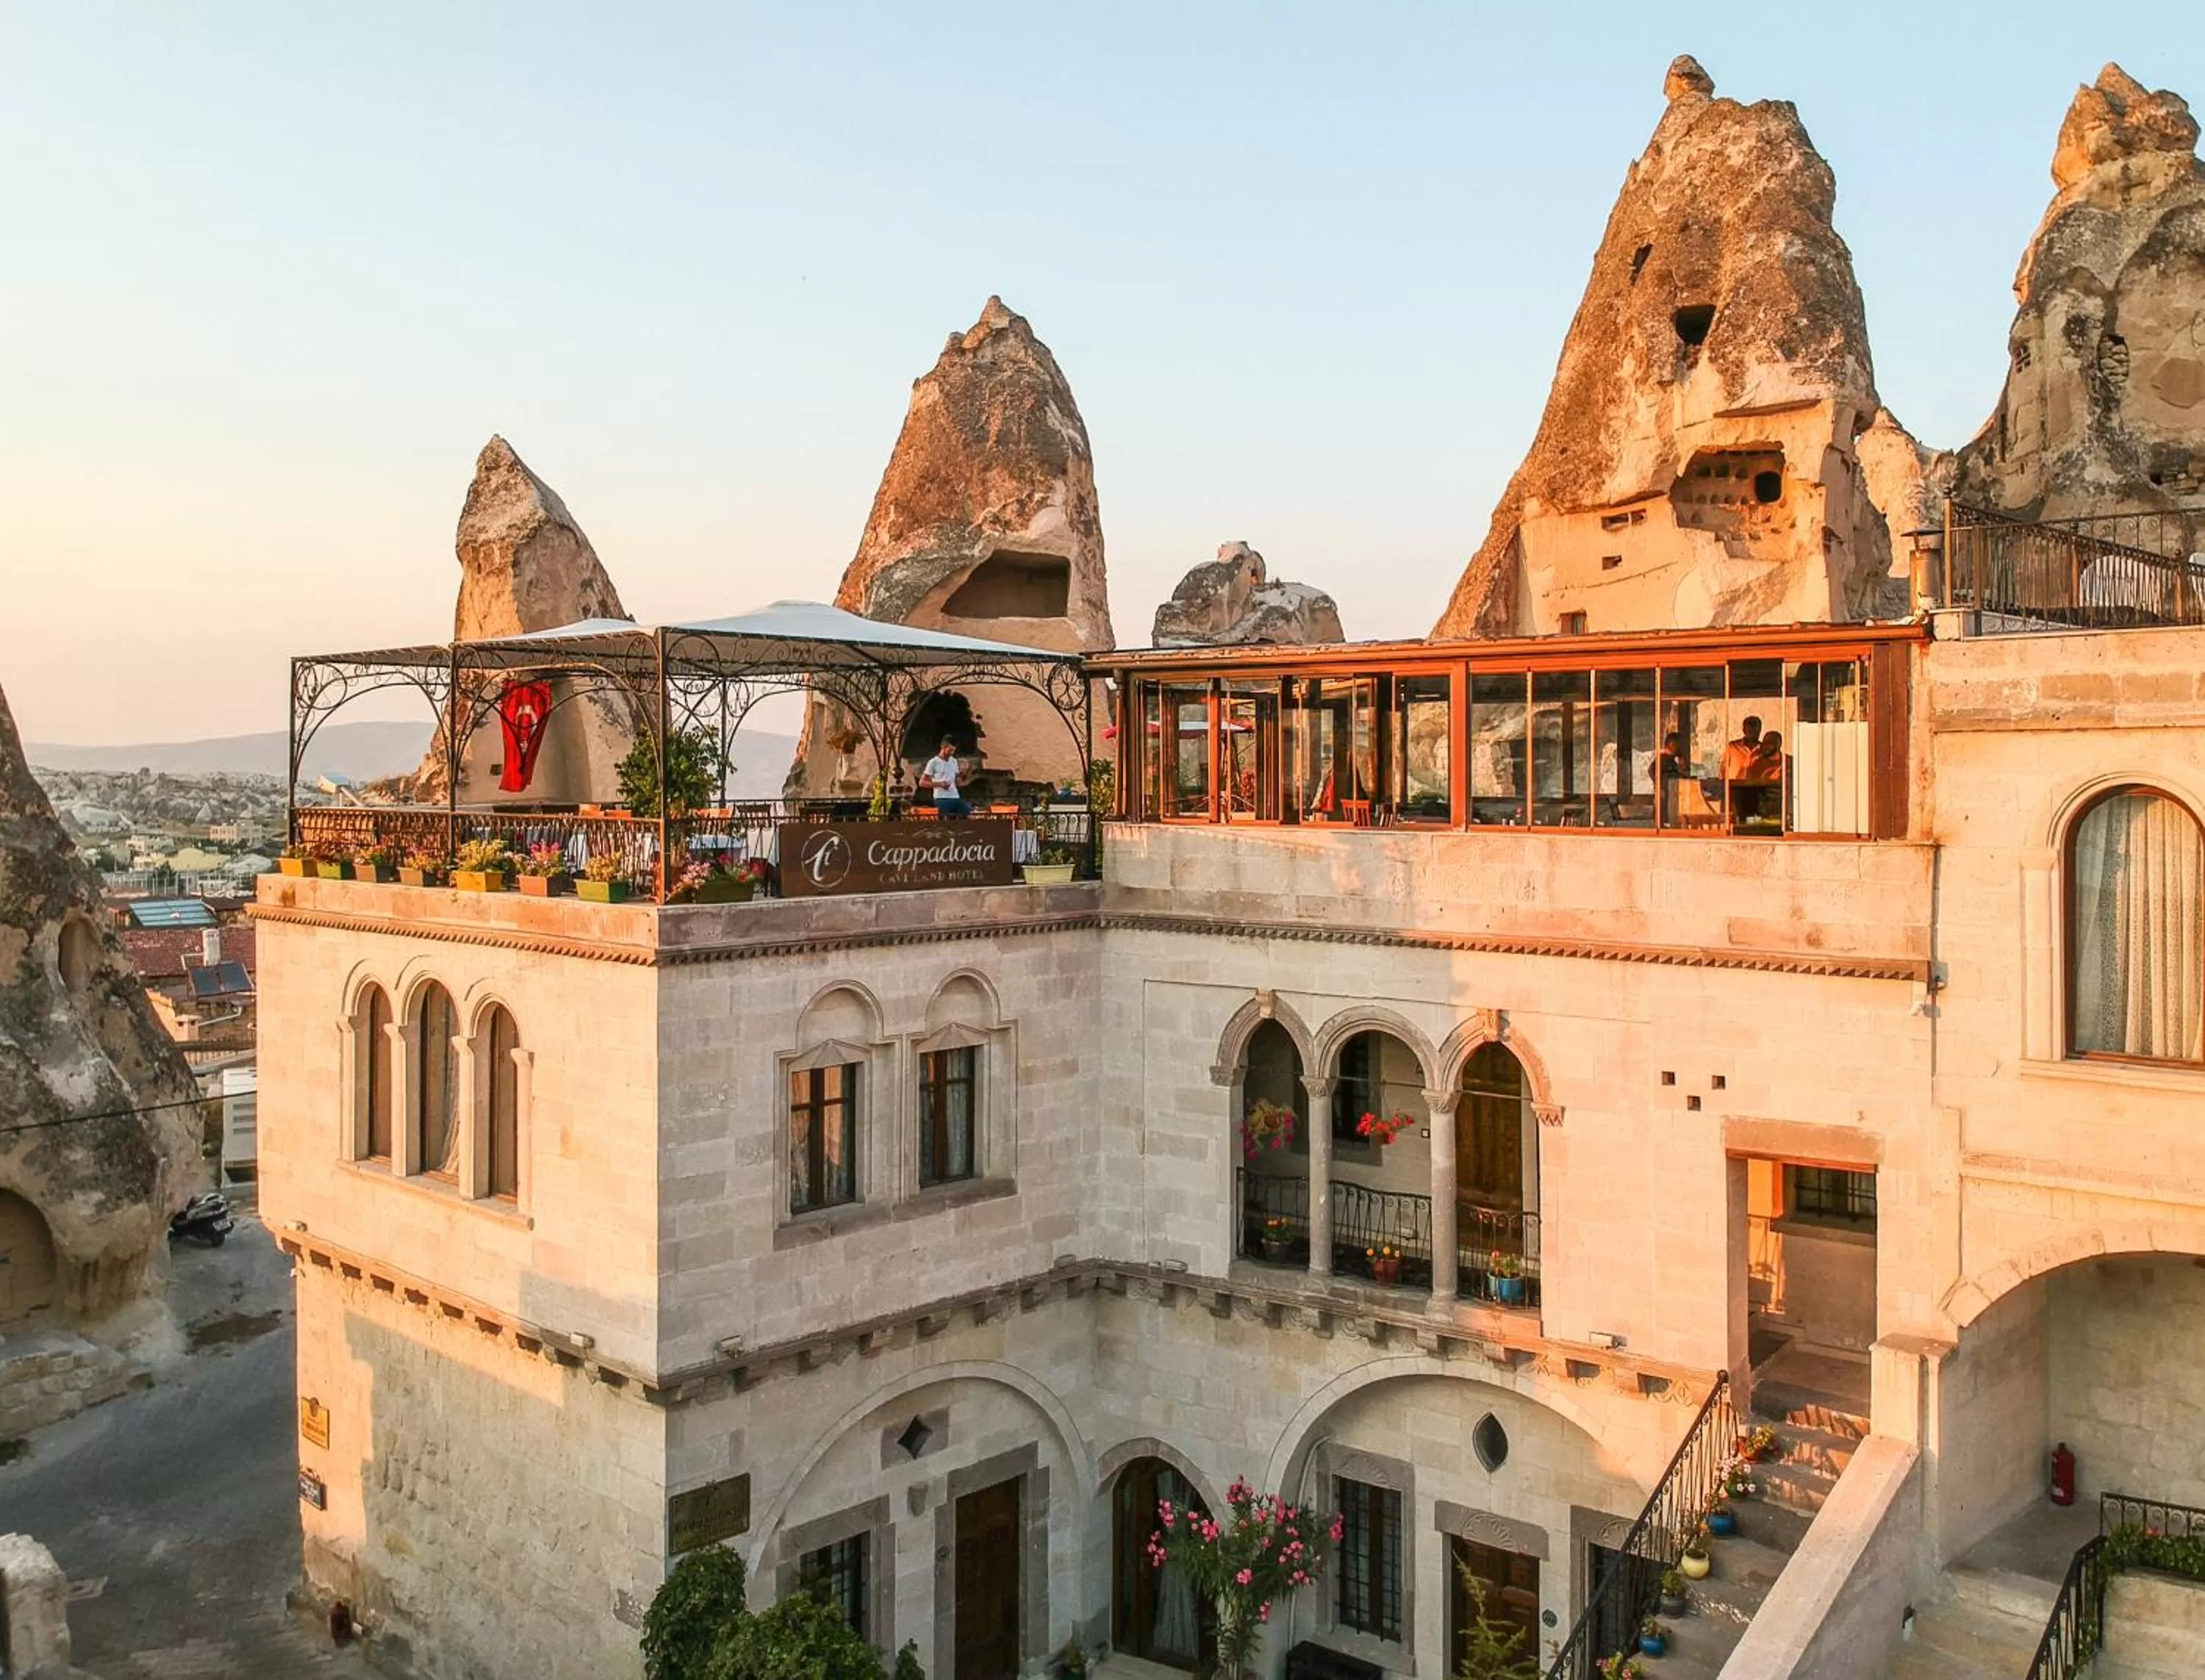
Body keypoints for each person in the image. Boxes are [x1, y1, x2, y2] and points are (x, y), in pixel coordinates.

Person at [919, 738, 971, 819]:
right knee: (946, 818)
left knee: (967, 810)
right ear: (943, 747)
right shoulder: (933, 762)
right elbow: (922, 783)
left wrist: (961, 775)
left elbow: (958, 782)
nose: (952, 753)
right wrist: (940, 784)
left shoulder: (954, 761)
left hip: (955, 796)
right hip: (941, 798)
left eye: (954, 751)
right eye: (950, 750)